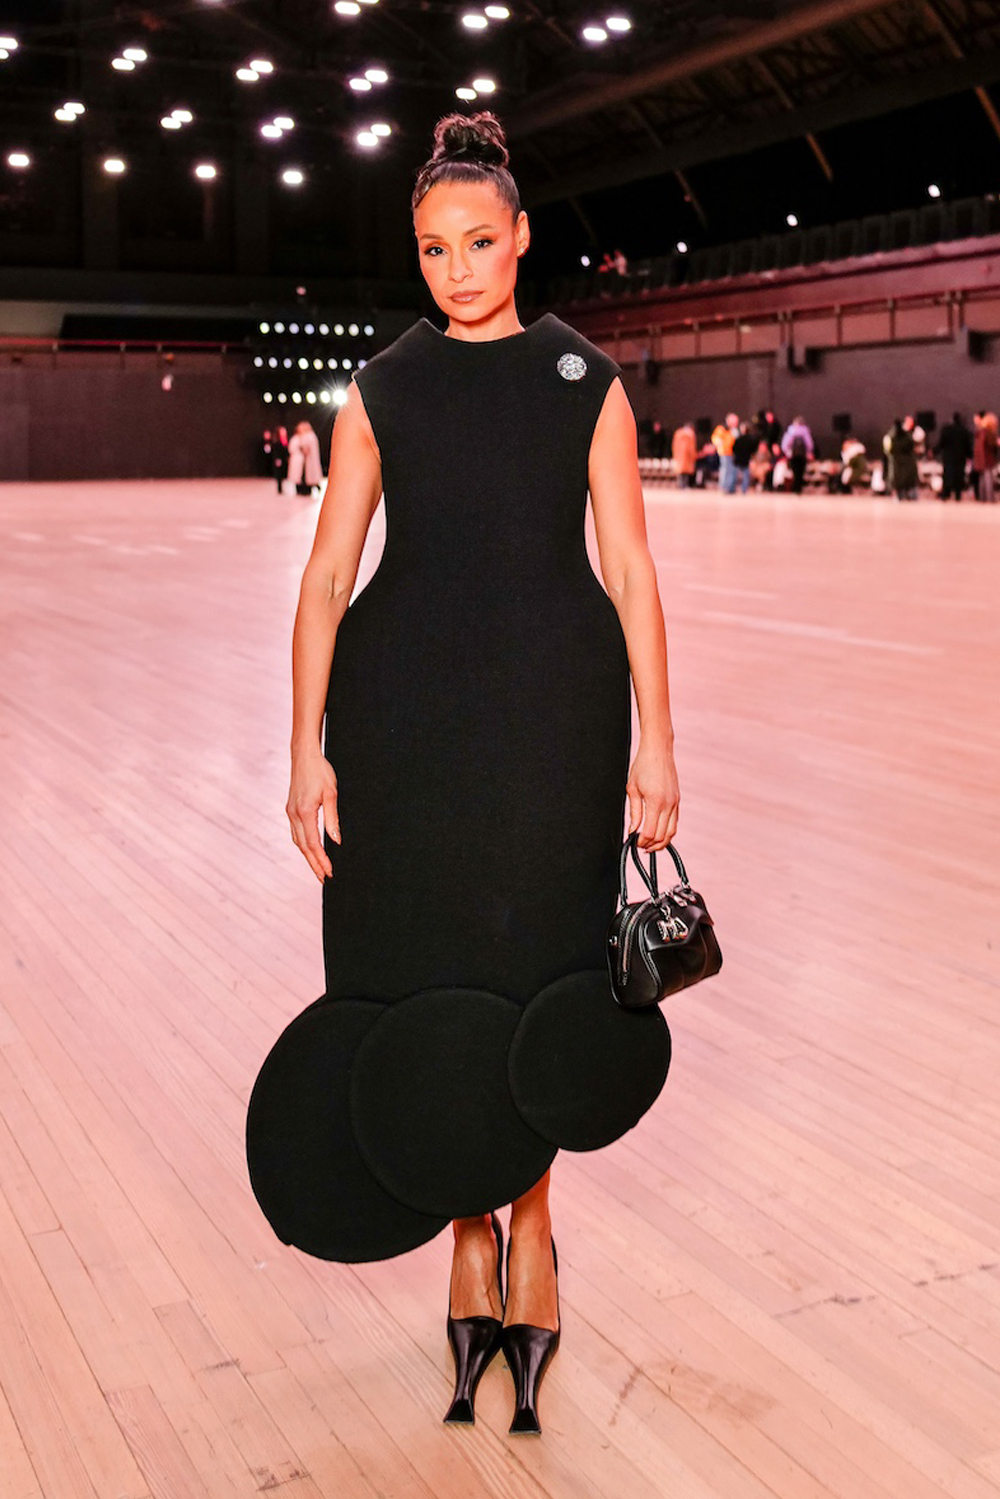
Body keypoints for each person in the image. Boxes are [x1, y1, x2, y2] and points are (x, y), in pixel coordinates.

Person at [251, 110, 680, 1438]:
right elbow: (327, 576)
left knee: (540, 975)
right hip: (406, 729)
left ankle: (534, 1221)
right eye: (435, 247)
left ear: (523, 235)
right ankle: (465, 1230)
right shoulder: (384, 384)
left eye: (480, 241)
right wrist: (304, 741)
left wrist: (657, 737)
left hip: (556, 722)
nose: (458, 265)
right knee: (426, 966)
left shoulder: (586, 378)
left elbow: (630, 569)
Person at [935, 412, 972, 501]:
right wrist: (970, 456)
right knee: (959, 476)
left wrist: (934, 451)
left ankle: (945, 494)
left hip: (948, 457)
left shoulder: (947, 430)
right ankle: (958, 495)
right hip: (960, 457)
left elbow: (941, 443)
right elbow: (968, 445)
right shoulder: (964, 431)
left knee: (948, 475)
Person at [287, 420, 324, 496]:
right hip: (302, 460)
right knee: (302, 476)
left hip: (308, 460)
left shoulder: (309, 436)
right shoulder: (299, 437)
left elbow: (306, 448)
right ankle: (302, 489)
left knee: (309, 476)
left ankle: (308, 489)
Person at [886, 417, 918, 500]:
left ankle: (901, 494)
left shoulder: (891, 436)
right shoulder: (907, 436)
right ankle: (908, 494)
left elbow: (889, 449)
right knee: (907, 479)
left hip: (897, 461)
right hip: (906, 461)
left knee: (898, 479)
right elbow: (911, 446)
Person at [781, 415, 814, 494]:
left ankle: (795, 487)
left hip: (793, 454)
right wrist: (809, 452)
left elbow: (785, 444)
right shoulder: (806, 431)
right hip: (802, 455)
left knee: (794, 471)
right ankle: (799, 488)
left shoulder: (791, 431)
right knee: (801, 471)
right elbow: (809, 444)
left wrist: (786, 452)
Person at [974, 411, 999, 502]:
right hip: (987, 459)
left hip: (981, 459)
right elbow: (991, 444)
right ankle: (989, 499)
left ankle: (983, 498)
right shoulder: (988, 432)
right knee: (988, 480)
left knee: (982, 480)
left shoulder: (980, 432)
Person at [711, 413, 739, 493]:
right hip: (725, 452)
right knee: (726, 470)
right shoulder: (722, 429)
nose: (735, 423)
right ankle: (724, 487)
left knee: (733, 471)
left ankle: (731, 488)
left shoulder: (735, 430)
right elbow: (715, 438)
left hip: (734, 453)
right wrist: (719, 443)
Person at [731, 421, 755, 493]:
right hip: (745, 459)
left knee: (737, 475)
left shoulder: (739, 439)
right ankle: (744, 489)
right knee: (745, 475)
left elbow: (734, 448)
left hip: (739, 459)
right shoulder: (750, 439)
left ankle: (733, 488)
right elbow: (752, 449)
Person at [671, 420, 697, 487]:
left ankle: (681, 484)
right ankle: (684, 485)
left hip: (679, 454)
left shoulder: (678, 433)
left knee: (681, 471)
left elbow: (674, 444)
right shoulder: (690, 434)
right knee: (685, 472)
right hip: (686, 455)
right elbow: (692, 446)